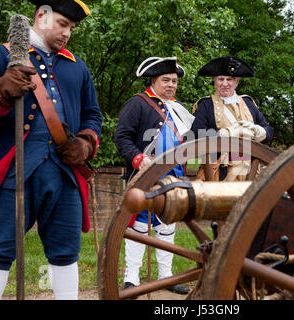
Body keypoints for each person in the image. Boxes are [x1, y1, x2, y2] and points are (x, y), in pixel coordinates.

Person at [0, 0, 102, 300]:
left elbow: (92, 115)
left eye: (71, 28)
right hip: (14, 172)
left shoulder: (77, 67)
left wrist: (86, 141)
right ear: (41, 16)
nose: (67, 33)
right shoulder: (1, 56)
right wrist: (1, 92)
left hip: (64, 174)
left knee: (66, 252)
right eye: (62, 24)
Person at [114, 56, 194, 295]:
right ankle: (131, 279)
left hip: (173, 177)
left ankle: (165, 278)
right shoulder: (138, 104)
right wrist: (139, 159)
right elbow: (122, 138)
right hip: (145, 176)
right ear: (153, 80)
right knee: (139, 226)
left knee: (167, 226)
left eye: (174, 81)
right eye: (166, 80)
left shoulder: (178, 109)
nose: (171, 85)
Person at [191, 56, 273, 181]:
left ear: (237, 81)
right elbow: (196, 135)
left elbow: (268, 131)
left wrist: (257, 131)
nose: (224, 83)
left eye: (229, 79)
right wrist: (225, 133)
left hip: (249, 173)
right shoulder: (205, 105)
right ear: (214, 80)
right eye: (220, 79)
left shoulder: (249, 103)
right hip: (219, 173)